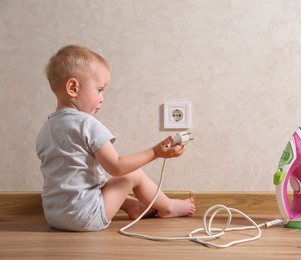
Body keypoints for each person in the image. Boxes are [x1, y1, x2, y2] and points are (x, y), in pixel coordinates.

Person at [36, 45, 196, 231]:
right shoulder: (87, 124)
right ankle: (169, 207)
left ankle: (134, 206)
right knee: (132, 174)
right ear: (73, 87)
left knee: (95, 181)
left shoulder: (46, 129)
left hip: (54, 215)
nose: (102, 98)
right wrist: (155, 152)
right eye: (99, 90)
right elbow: (117, 167)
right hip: (84, 216)